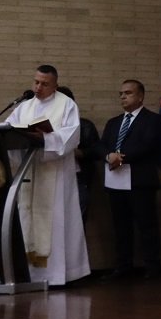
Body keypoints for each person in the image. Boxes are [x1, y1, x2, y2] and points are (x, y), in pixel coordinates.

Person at [6, 65, 90, 286]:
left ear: (55, 85)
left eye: (44, 84)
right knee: (28, 220)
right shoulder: (24, 106)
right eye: (36, 82)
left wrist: (44, 139)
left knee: (57, 223)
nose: (38, 87)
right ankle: (31, 276)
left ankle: (57, 276)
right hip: (30, 171)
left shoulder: (66, 105)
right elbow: (8, 130)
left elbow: (70, 137)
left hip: (56, 175)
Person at [97, 80, 161, 280]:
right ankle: (123, 266)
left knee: (147, 225)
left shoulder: (152, 120)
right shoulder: (114, 122)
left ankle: (152, 266)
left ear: (140, 96)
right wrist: (108, 156)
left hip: (140, 180)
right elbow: (101, 145)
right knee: (121, 226)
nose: (123, 97)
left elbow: (148, 145)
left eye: (128, 93)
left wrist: (120, 157)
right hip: (116, 181)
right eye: (121, 94)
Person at [57, 86, 100, 220]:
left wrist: (80, 153)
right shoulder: (45, 126)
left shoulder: (86, 126)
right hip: (52, 176)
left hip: (77, 177)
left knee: (78, 220)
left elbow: (97, 151)